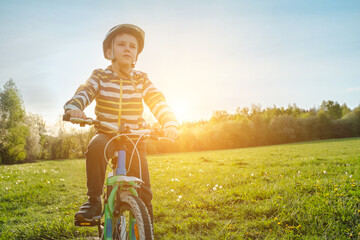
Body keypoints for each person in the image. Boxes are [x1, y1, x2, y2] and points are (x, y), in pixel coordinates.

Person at [63, 24, 179, 223]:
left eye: (133, 47)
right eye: (122, 44)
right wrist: (74, 106)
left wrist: (170, 122)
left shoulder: (141, 79)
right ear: (110, 52)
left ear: (136, 55)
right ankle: (94, 201)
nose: (128, 49)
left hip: (135, 138)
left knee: (144, 193)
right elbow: (85, 91)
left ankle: (145, 229)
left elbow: (157, 100)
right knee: (96, 147)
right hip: (107, 133)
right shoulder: (100, 76)